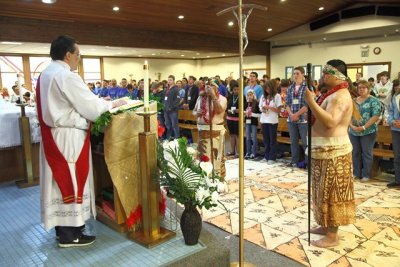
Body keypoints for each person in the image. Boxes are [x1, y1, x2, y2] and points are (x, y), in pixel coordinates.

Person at [37, 35, 126, 248]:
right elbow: (91, 108)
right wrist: (112, 104)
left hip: (53, 136)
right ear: (68, 55)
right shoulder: (66, 76)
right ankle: (72, 234)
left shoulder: (46, 73)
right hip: (68, 137)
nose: (79, 58)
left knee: (58, 183)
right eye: (78, 54)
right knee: (72, 180)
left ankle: (63, 230)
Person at [304, 59, 356, 248]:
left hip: (335, 152)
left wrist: (310, 101)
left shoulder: (341, 96)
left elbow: (331, 122)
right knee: (322, 192)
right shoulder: (331, 94)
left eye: (327, 73)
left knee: (333, 193)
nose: (323, 76)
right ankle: (325, 226)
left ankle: (332, 236)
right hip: (323, 150)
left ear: (337, 76)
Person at [194, 79, 227, 180]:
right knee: (204, 156)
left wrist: (213, 96)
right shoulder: (200, 98)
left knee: (216, 157)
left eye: (211, 86)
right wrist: (197, 113)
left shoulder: (222, 99)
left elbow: (219, 111)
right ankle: (204, 178)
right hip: (202, 131)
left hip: (215, 132)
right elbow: (194, 112)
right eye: (207, 86)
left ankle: (217, 179)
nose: (208, 88)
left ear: (217, 88)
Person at [349, 80, 381, 182]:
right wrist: (351, 126)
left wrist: (363, 127)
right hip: (354, 131)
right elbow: (348, 114)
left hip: (368, 132)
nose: (361, 89)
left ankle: (366, 174)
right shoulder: (353, 100)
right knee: (355, 152)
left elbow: (375, 116)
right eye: (359, 88)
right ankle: (356, 173)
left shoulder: (374, 101)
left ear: (369, 89)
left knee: (367, 153)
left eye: (364, 87)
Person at [285, 66, 308, 168]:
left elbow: (307, 105)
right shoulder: (290, 88)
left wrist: (297, 114)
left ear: (303, 75)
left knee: (305, 142)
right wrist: (291, 115)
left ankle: (307, 162)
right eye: (294, 74)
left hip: (303, 119)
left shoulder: (307, 87)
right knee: (293, 142)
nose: (295, 75)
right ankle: (294, 161)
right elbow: (287, 104)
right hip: (291, 119)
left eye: (297, 73)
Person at [259, 80, 282, 163]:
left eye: (268, 88)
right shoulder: (263, 96)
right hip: (264, 120)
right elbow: (260, 107)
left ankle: (272, 157)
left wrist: (269, 107)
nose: (267, 90)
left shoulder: (277, 96)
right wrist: (263, 109)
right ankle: (266, 156)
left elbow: (279, 110)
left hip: (272, 121)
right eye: (265, 89)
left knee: (272, 140)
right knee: (266, 140)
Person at [387, 79, 400, 187]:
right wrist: (391, 121)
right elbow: (390, 111)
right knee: (397, 156)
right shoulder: (395, 97)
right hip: (395, 129)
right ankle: (397, 180)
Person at [226, 80, 241, 156]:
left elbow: (244, 108)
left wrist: (239, 110)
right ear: (232, 89)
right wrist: (228, 110)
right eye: (235, 89)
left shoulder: (242, 97)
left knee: (237, 135)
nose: (236, 91)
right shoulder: (230, 96)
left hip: (237, 119)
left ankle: (238, 152)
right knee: (231, 135)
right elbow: (227, 106)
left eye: (238, 89)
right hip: (229, 118)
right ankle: (232, 151)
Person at [244, 90, 260, 159]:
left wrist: (252, 114)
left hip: (253, 122)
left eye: (250, 95)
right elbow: (244, 111)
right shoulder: (246, 103)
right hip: (247, 122)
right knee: (247, 137)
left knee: (254, 137)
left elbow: (259, 114)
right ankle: (248, 151)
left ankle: (254, 152)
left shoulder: (256, 103)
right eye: (248, 95)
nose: (249, 97)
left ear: (253, 95)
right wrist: (245, 113)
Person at [163, 75, 180, 139]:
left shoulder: (176, 89)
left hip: (173, 111)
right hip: (166, 110)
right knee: (168, 125)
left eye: (170, 80)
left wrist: (171, 108)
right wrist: (164, 106)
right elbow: (165, 99)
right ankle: (169, 138)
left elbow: (177, 101)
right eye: (168, 80)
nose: (169, 81)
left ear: (173, 81)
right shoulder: (167, 89)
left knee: (174, 125)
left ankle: (177, 138)